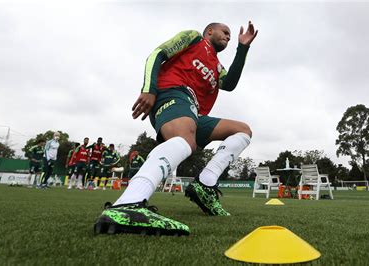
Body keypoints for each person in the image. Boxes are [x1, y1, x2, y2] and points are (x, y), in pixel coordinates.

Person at [94, 21, 258, 236]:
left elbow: (230, 84)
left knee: (243, 130)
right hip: (172, 93)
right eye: (224, 32)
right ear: (210, 31)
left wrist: (243, 47)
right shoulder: (194, 38)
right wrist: (149, 89)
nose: (228, 36)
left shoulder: (217, 66)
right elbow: (157, 54)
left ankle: (205, 185)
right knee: (185, 139)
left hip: (195, 113)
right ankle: (127, 204)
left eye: (230, 34)